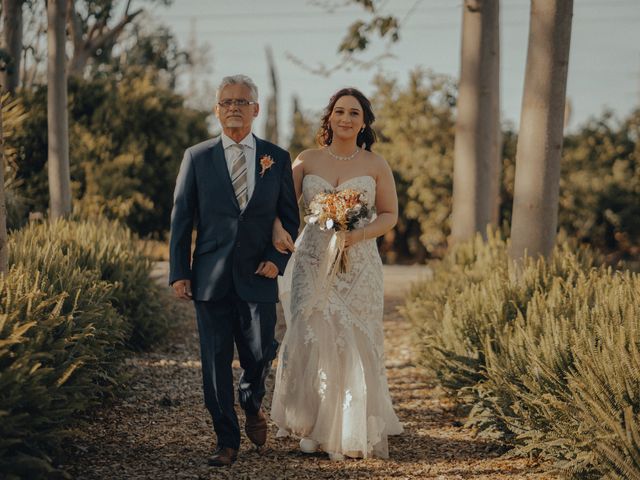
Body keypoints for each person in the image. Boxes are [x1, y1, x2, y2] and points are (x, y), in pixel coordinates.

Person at [169, 75, 299, 467]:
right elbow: (181, 218)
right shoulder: (197, 156)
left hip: (258, 275)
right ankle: (226, 440)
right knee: (214, 363)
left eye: (242, 102)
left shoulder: (276, 157)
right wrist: (180, 271)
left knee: (260, 352)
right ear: (216, 109)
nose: (234, 108)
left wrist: (277, 261)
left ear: (256, 110)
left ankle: (251, 399)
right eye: (226, 102)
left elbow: (290, 219)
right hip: (209, 276)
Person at [270, 87, 403, 460]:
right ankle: (313, 425)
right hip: (312, 260)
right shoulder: (306, 160)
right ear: (329, 117)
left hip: (359, 265)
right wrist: (279, 229)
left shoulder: (376, 165)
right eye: (340, 111)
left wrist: (355, 235)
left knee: (353, 339)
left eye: (354, 114)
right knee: (313, 332)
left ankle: (348, 429)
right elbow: (280, 206)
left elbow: (390, 215)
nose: (346, 118)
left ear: (364, 123)